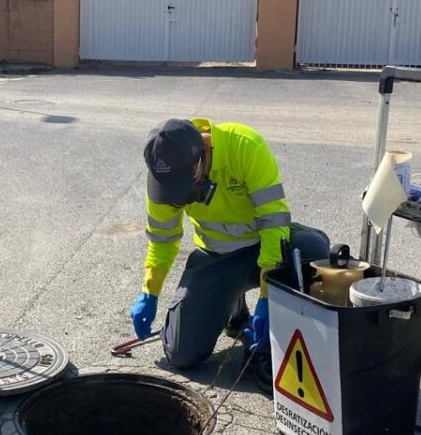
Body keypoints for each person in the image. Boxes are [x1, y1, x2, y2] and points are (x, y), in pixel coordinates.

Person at [130, 118, 327, 394]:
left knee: (312, 251)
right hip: (216, 259)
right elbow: (163, 240)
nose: (179, 196)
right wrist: (149, 293)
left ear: (203, 155)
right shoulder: (165, 182)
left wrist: (267, 297)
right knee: (181, 353)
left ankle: (278, 331)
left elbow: (273, 223)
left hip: (264, 248)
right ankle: (232, 308)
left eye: (186, 183)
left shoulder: (245, 147)